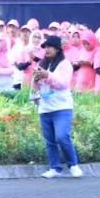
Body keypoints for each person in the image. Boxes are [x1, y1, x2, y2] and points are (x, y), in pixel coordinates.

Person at [30, 35, 83, 179]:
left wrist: (47, 75)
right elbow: (36, 86)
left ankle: (73, 165)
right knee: (49, 140)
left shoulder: (65, 64)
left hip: (62, 108)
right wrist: (35, 79)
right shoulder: (42, 63)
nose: (46, 49)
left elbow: (64, 83)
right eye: (45, 47)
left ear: (58, 49)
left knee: (62, 136)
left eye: (49, 47)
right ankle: (55, 168)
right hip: (45, 107)